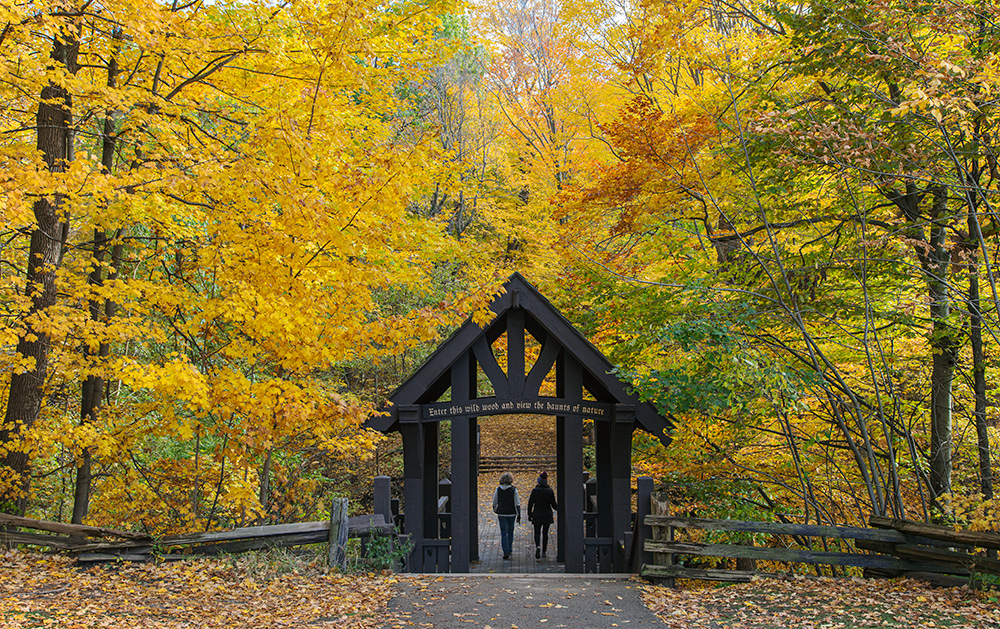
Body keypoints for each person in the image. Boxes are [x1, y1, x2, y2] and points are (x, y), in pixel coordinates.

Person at [527, 471, 558, 559]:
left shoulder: (535, 491)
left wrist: (529, 514)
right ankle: (544, 551)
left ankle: (538, 546)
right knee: (545, 533)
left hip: (537, 513)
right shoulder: (550, 491)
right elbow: (553, 505)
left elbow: (530, 504)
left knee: (537, 532)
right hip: (547, 513)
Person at [492, 471, 521, 559]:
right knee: (510, 531)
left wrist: (495, 509)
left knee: (503, 532)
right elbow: (517, 503)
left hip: (502, 513)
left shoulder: (498, 489)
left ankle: (505, 551)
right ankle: (510, 548)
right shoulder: (513, 490)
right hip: (511, 513)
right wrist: (519, 514)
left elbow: (494, 502)